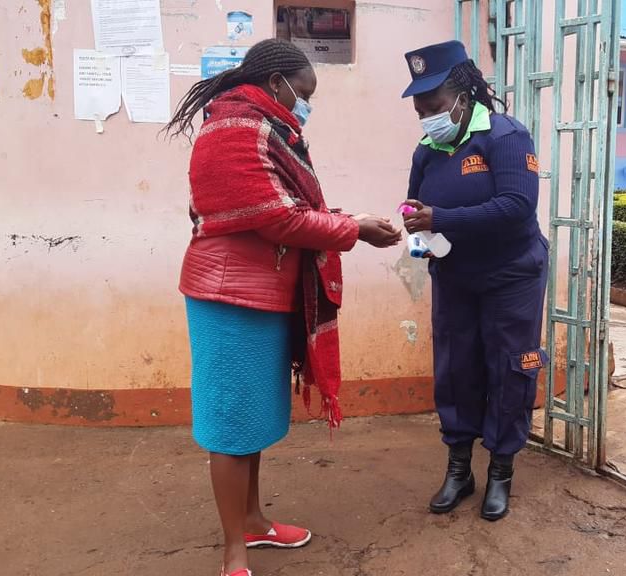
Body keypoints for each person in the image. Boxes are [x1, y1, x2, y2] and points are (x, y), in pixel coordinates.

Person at [164, 39, 401, 576]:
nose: (306, 105)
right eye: (305, 94)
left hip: (264, 293)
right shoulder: (237, 129)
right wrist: (353, 229)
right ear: (277, 84)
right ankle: (234, 554)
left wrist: (346, 221)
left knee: (250, 419)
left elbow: (292, 210)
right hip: (228, 297)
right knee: (229, 425)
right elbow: (278, 220)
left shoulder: (265, 126)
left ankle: (252, 521)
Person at [400, 40, 549, 521]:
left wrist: (439, 216)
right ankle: (459, 469)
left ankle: (501, 471)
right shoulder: (428, 149)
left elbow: (516, 206)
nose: (427, 117)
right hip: (456, 274)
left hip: (512, 274)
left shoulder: (504, 136)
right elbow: (414, 205)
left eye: (434, 106)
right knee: (455, 365)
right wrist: (414, 229)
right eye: (420, 110)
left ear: (463, 96)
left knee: (508, 367)